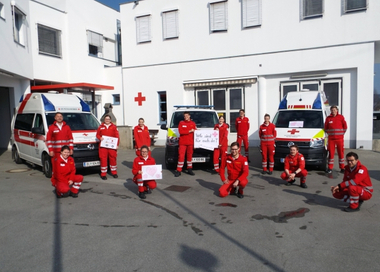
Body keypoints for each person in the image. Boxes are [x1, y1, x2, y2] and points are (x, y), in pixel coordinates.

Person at [46, 112, 74, 187]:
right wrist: (50, 150)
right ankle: (55, 183)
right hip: (56, 152)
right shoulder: (51, 127)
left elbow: (70, 139)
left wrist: (71, 149)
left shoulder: (67, 127)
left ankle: (66, 182)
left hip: (65, 152)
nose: (59, 117)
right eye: (57, 116)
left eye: (60, 116)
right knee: (55, 168)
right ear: (55, 118)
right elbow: (48, 140)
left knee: (66, 167)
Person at [324, 105, 347, 174]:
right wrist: (329, 133)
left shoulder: (341, 117)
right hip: (331, 139)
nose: (333, 111)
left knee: (341, 153)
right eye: (332, 110)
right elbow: (326, 128)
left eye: (334, 110)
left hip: (340, 139)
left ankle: (342, 168)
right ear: (330, 111)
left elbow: (345, 127)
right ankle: (330, 168)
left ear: (337, 111)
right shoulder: (328, 118)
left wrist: (341, 133)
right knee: (331, 154)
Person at [96, 114, 119, 180]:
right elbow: (97, 135)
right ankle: (103, 174)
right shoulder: (100, 127)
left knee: (113, 159)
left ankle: (114, 172)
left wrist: (117, 145)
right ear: (104, 120)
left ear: (110, 120)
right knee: (103, 159)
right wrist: (100, 138)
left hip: (112, 146)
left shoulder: (114, 127)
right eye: (106, 119)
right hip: (103, 146)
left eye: (108, 119)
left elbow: (117, 136)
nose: (107, 120)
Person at [174, 111, 197, 177]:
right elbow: (181, 131)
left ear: (189, 116)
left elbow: (196, 134)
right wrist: (189, 131)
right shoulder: (181, 123)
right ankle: (179, 170)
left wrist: (196, 143)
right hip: (182, 143)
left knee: (189, 156)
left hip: (190, 143)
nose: (186, 117)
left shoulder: (193, 123)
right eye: (184, 116)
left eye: (187, 116)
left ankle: (189, 169)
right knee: (181, 156)